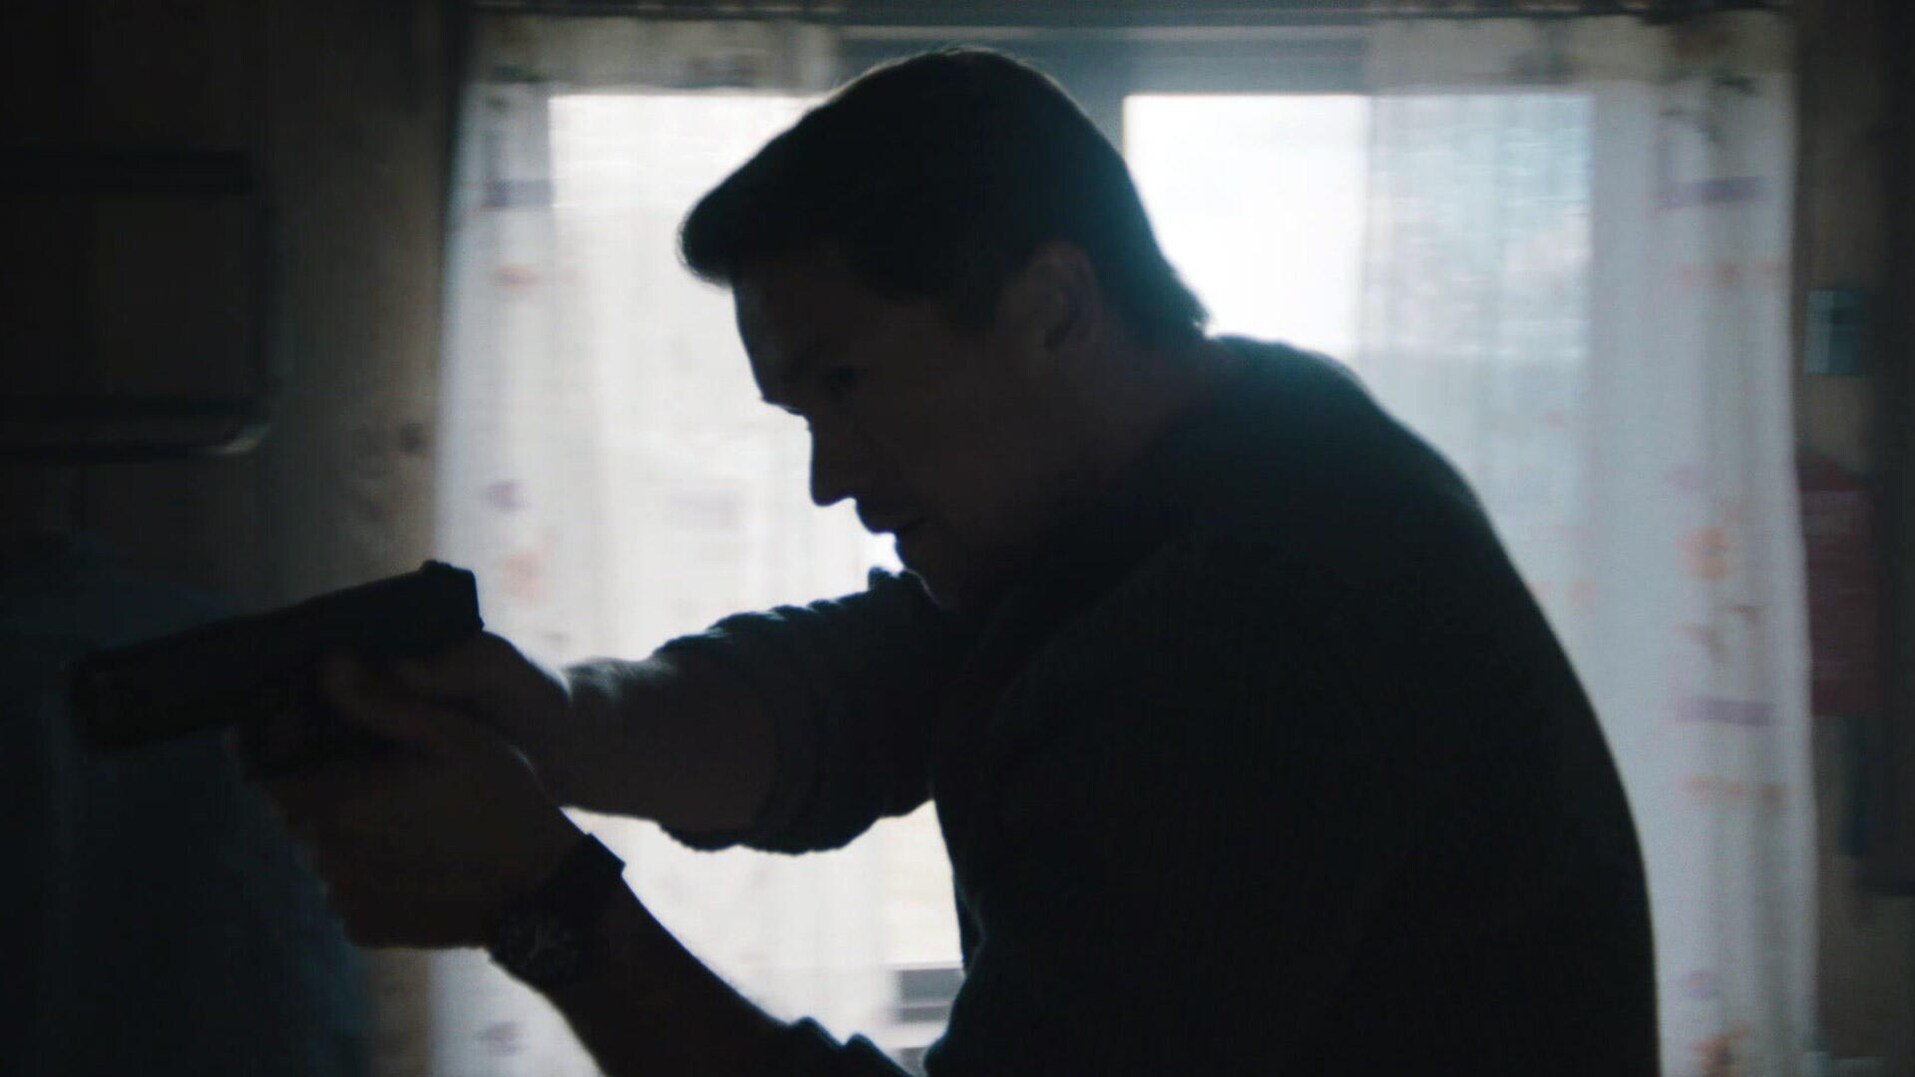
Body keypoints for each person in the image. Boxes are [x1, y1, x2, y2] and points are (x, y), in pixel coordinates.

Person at [249, 48, 1660, 1075]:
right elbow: (857, 688)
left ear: (1053, 307)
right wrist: (553, 725)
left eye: (847, 383)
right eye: (801, 411)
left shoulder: (1254, 623)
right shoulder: (1228, 447)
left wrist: (547, 907)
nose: (829, 474)